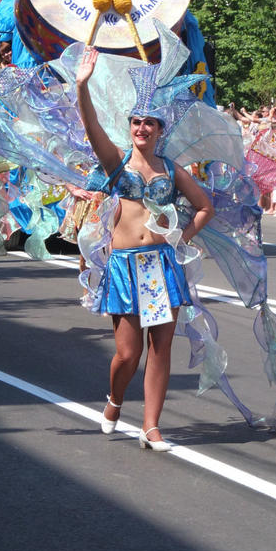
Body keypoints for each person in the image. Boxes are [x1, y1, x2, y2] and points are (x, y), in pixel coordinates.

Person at [75, 47, 215, 451]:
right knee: (127, 353)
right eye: (136, 121)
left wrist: (180, 237)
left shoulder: (171, 170)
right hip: (124, 266)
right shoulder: (116, 163)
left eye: (149, 123)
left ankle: (151, 426)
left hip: (161, 266)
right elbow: (91, 126)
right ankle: (115, 399)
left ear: (160, 130)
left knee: (161, 346)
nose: (142, 128)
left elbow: (205, 207)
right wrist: (83, 85)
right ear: (130, 127)